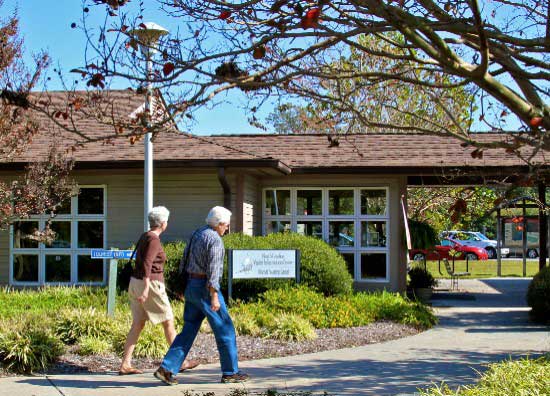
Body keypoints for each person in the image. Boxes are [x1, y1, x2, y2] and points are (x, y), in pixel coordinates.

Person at [154, 206, 249, 385]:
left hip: (191, 285)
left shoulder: (198, 233)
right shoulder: (215, 240)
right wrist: (214, 295)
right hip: (206, 288)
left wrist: (183, 285)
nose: (227, 229)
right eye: (226, 225)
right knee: (225, 328)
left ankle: (167, 368)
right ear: (219, 224)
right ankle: (230, 372)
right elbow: (214, 269)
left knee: (188, 330)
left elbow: (185, 258)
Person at [119, 206, 198, 375]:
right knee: (168, 321)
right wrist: (147, 288)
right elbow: (148, 263)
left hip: (135, 282)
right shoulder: (154, 240)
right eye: (167, 221)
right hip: (151, 285)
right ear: (163, 223)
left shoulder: (144, 236)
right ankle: (180, 362)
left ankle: (125, 364)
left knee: (138, 323)